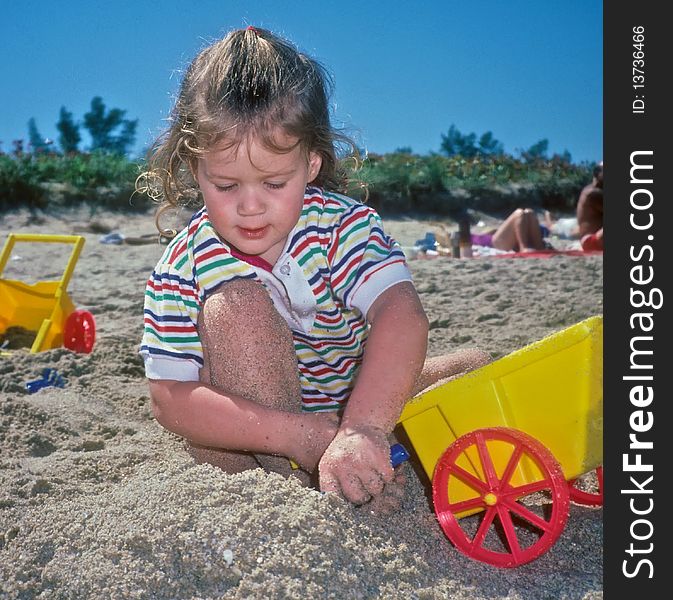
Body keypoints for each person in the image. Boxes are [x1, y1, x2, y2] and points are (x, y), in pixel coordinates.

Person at [137, 26, 490, 507]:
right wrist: (296, 435)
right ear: (194, 168)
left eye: (274, 183)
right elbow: (170, 398)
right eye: (226, 186)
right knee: (234, 303)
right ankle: (308, 489)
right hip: (252, 440)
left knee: (477, 370)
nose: (251, 207)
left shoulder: (342, 226)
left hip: (352, 406)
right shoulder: (183, 265)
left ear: (312, 163)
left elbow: (399, 314)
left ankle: (358, 458)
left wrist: (361, 428)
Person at [470, 208, 548, 253]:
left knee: (529, 212)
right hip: (494, 244)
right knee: (519, 213)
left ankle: (539, 247)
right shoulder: (464, 237)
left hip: (497, 239)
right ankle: (523, 247)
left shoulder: (473, 235)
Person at [576, 161, 603, 251]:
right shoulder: (594, 193)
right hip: (591, 241)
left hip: (593, 240)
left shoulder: (589, 189)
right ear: (597, 173)